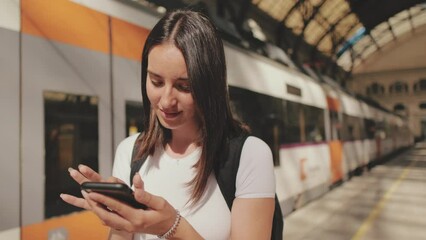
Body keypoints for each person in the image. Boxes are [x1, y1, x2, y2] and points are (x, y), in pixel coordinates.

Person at [60, 9, 276, 240]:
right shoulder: (130, 150)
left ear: (210, 85)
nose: (166, 101)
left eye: (184, 86)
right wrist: (120, 221)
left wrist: (172, 227)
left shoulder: (249, 155)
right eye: (156, 81)